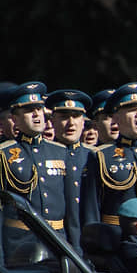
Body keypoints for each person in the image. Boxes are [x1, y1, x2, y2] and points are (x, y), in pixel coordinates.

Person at [0, 81, 77, 262]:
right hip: (19, 242)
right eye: (28, 110)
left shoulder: (61, 152)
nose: (36, 114)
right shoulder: (3, 154)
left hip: (57, 241)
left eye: (39, 108)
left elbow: (72, 212)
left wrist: (76, 250)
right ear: (15, 119)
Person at [82, 83, 137, 241]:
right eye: (131, 109)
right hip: (118, 242)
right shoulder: (101, 156)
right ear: (116, 117)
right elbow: (91, 209)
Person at [45, 89, 92, 252]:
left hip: (88, 242)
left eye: (76, 116)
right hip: (55, 240)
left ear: (84, 121)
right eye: (64, 117)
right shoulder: (43, 156)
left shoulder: (94, 156)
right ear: (52, 121)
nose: (71, 123)